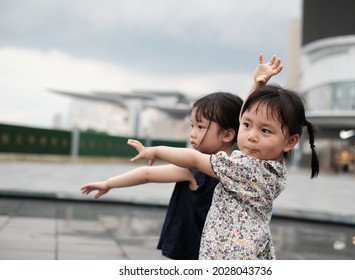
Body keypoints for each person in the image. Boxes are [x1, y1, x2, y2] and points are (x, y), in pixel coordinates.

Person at [81, 53, 283, 259]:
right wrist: (109, 183)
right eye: (192, 125)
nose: (193, 132)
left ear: (228, 134)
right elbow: (147, 174)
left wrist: (110, 183)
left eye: (201, 126)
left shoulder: (219, 167)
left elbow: (148, 173)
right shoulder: (232, 168)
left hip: (201, 250)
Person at [127, 75, 319, 259]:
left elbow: (194, 160)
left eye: (265, 130)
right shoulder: (273, 167)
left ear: (290, 141)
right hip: (250, 248)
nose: (252, 135)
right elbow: (244, 116)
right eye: (246, 126)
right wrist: (256, 85)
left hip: (228, 254)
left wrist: (156, 151)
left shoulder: (245, 169)